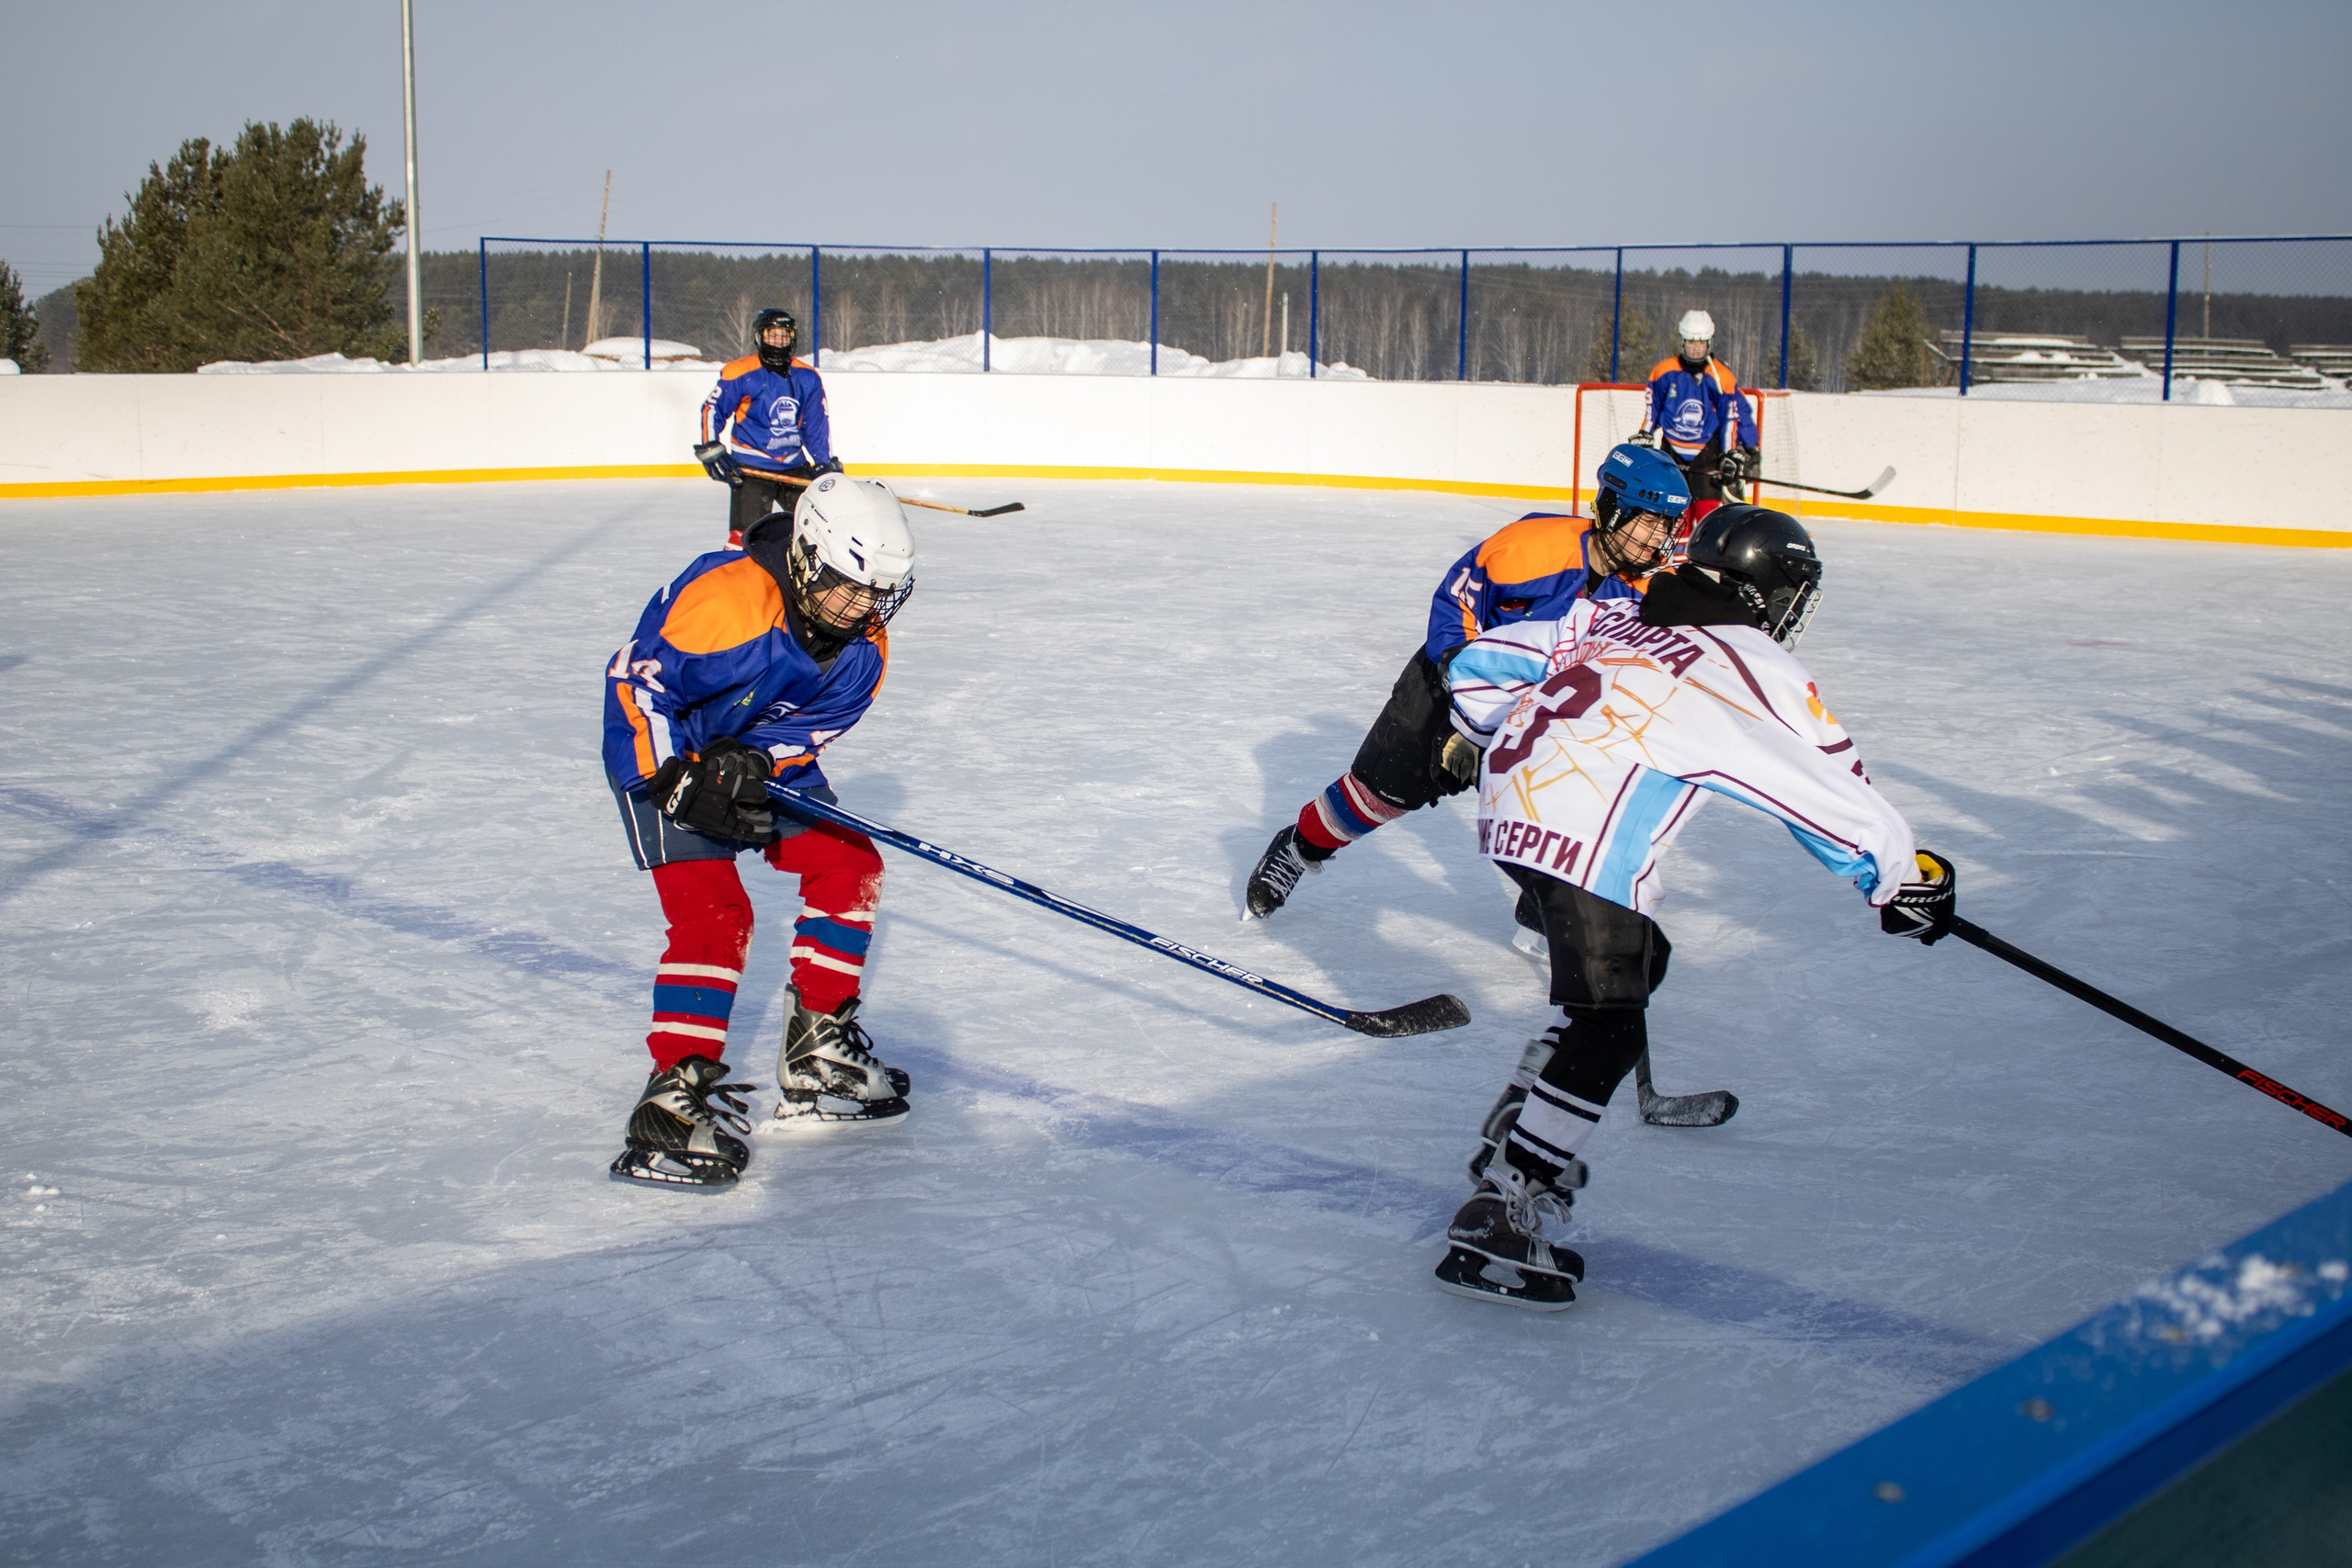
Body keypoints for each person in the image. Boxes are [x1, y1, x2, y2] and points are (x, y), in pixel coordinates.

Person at [1429, 504, 1956, 1308]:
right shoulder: (1749, 662)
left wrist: (1499, 737)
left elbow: (1481, 666)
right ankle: (1508, 1202)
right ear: (1763, 588)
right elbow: (1817, 783)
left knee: (1642, 963)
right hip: (1578, 828)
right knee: (1612, 1017)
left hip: (1511, 809)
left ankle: (1536, 1090)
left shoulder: (1623, 614)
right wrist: (1897, 876)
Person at [601, 475, 919, 1188]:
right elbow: (635, 685)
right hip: (662, 753)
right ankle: (669, 1103)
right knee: (717, 914)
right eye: (846, 586)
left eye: (877, 593)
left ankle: (816, 1047)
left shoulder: (865, 647)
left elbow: (805, 733)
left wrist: (752, 764)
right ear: (806, 557)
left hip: (748, 759)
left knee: (850, 865)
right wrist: (678, 775)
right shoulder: (727, 601)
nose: (861, 606)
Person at [1242, 444, 1691, 923]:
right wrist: (1466, 699)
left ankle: (1547, 908)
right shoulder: (1531, 547)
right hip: (1448, 685)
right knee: (1379, 795)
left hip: (1540, 712)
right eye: (1651, 521)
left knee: (1572, 816)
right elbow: (1456, 601)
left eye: (1669, 525)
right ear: (1611, 509)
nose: (1659, 538)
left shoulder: (1652, 589)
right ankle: (1298, 847)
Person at [694, 308, 842, 549]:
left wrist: (822, 462)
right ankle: (734, 581)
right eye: (772, 335)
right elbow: (713, 410)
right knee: (743, 540)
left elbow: (815, 424)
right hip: (752, 467)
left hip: (794, 465)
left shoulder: (808, 377)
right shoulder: (741, 373)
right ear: (759, 337)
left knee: (817, 530)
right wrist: (711, 446)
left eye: (784, 335)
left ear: (792, 339)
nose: (778, 341)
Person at [1636, 310, 1760, 523]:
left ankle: (1703, 555)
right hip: (1672, 452)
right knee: (1676, 519)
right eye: (1691, 342)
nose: (1696, 348)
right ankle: (1679, 557)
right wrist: (1644, 435)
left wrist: (1739, 451)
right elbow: (1652, 409)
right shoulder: (1664, 371)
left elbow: (1731, 419)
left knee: (1708, 519)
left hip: (1707, 455)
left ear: (1709, 343)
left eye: (1701, 342)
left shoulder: (1721, 377)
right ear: (1682, 342)